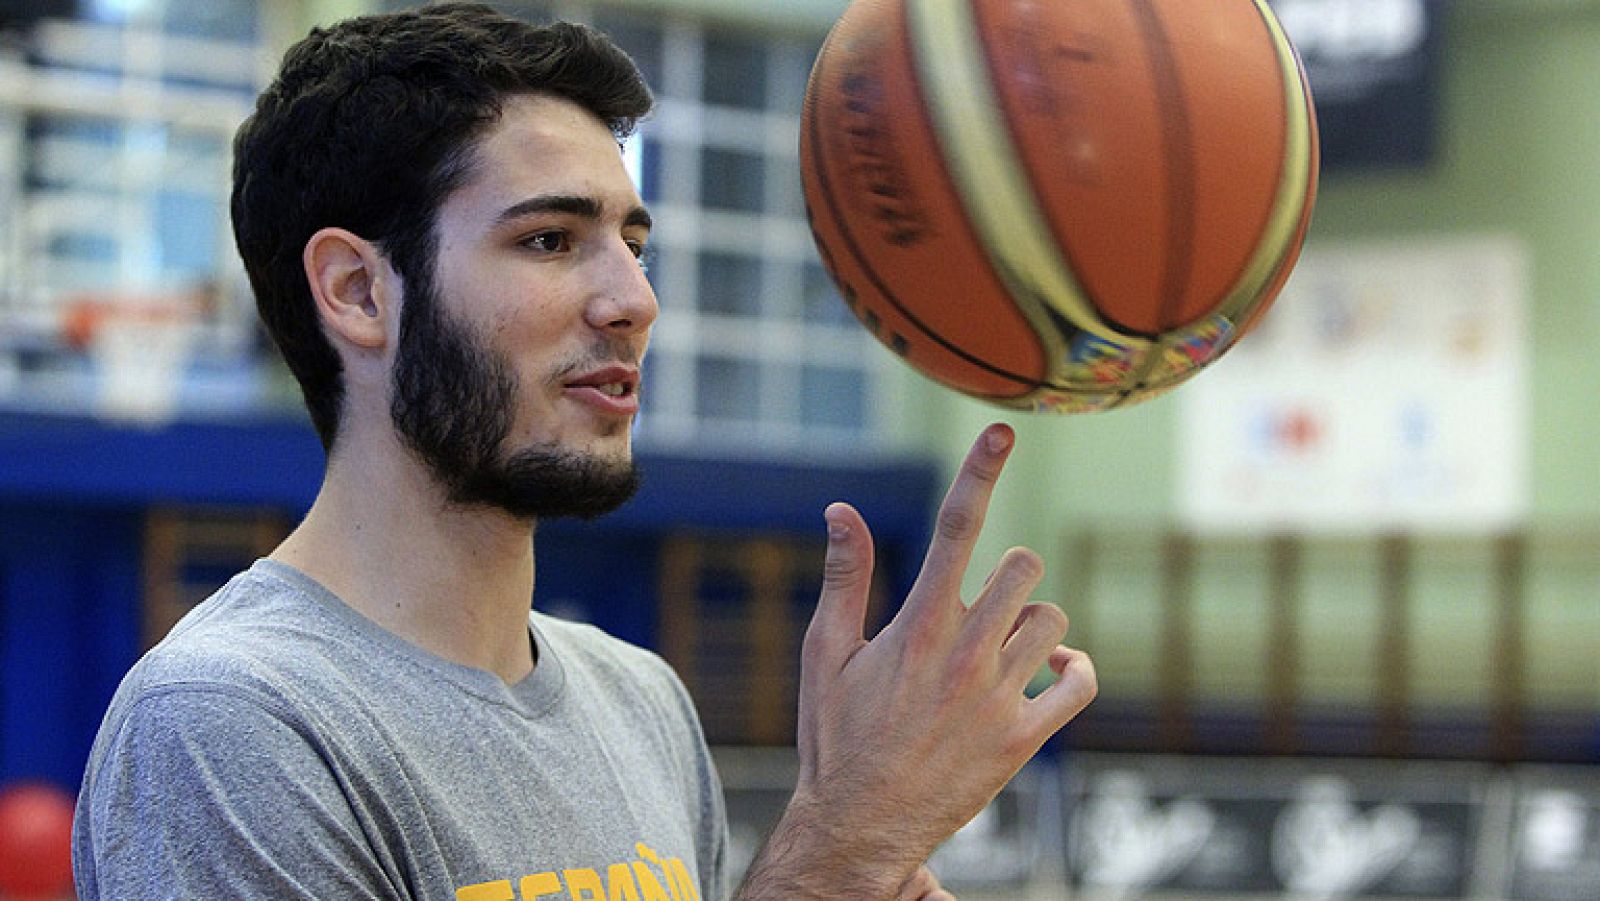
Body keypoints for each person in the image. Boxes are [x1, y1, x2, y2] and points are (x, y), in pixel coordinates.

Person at [70, 4, 1097, 899]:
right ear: (358, 291)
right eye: (551, 241)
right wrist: (834, 853)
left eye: (632, 245)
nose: (634, 301)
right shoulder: (229, 723)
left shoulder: (638, 700)